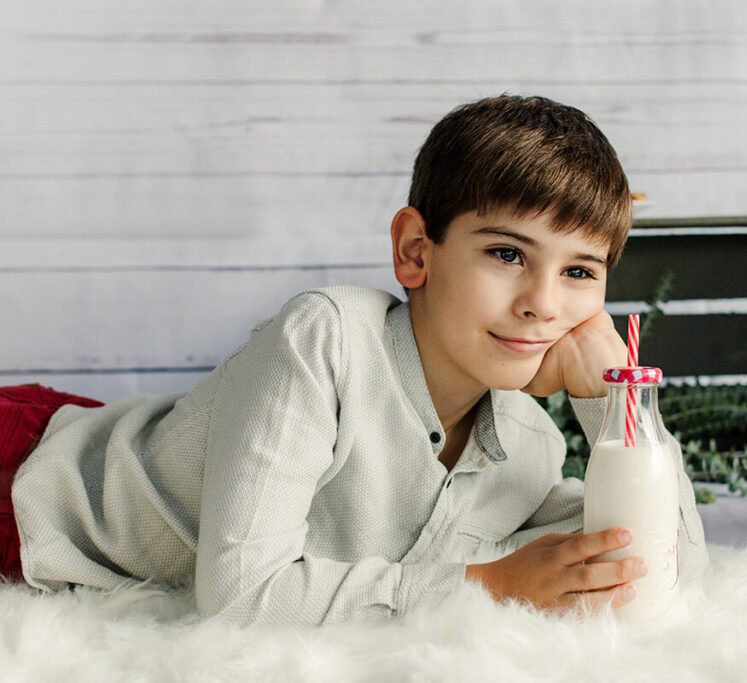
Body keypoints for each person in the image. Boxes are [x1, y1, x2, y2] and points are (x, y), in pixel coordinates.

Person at [1, 94, 709, 625]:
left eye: (580, 273)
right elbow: (243, 596)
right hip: (35, 477)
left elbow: (672, 567)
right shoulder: (327, 337)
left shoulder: (527, 447)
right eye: (506, 253)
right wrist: (488, 584)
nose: (542, 303)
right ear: (414, 251)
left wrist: (613, 400)